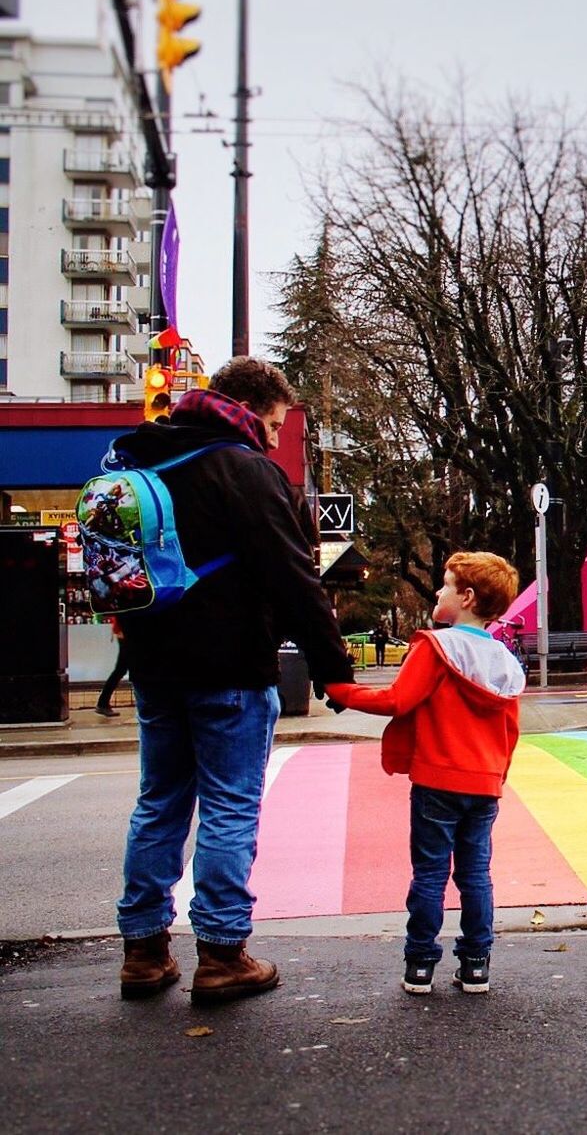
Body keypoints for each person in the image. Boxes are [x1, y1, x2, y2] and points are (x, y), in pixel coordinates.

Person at [113, 356, 355, 1005]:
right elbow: (294, 578)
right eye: (275, 423)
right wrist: (333, 669)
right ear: (250, 409)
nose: (278, 439)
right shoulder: (245, 471)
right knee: (229, 804)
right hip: (229, 668)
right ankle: (222, 955)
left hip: (154, 667)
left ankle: (142, 950)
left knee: (159, 800)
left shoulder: (142, 458)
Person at [326, 551, 525, 996]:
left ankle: (420, 965)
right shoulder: (505, 663)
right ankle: (476, 964)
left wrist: (341, 690)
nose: (438, 591)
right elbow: (510, 731)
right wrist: (496, 775)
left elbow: (398, 700)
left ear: (467, 597)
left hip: (437, 780)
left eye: (446, 584)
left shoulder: (435, 649)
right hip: (484, 783)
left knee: (430, 874)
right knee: (476, 875)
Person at [95, 616, 128, 717]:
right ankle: (102, 703)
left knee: (120, 670)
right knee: (120, 670)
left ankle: (103, 703)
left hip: (125, 633)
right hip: (127, 634)